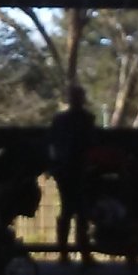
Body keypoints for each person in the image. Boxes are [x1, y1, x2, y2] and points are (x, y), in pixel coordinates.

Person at [48, 85, 96, 265]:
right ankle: (83, 253)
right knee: (80, 211)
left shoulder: (60, 120)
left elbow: (52, 142)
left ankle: (64, 252)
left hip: (65, 169)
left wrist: (54, 165)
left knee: (68, 210)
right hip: (79, 169)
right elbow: (91, 143)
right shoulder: (87, 119)